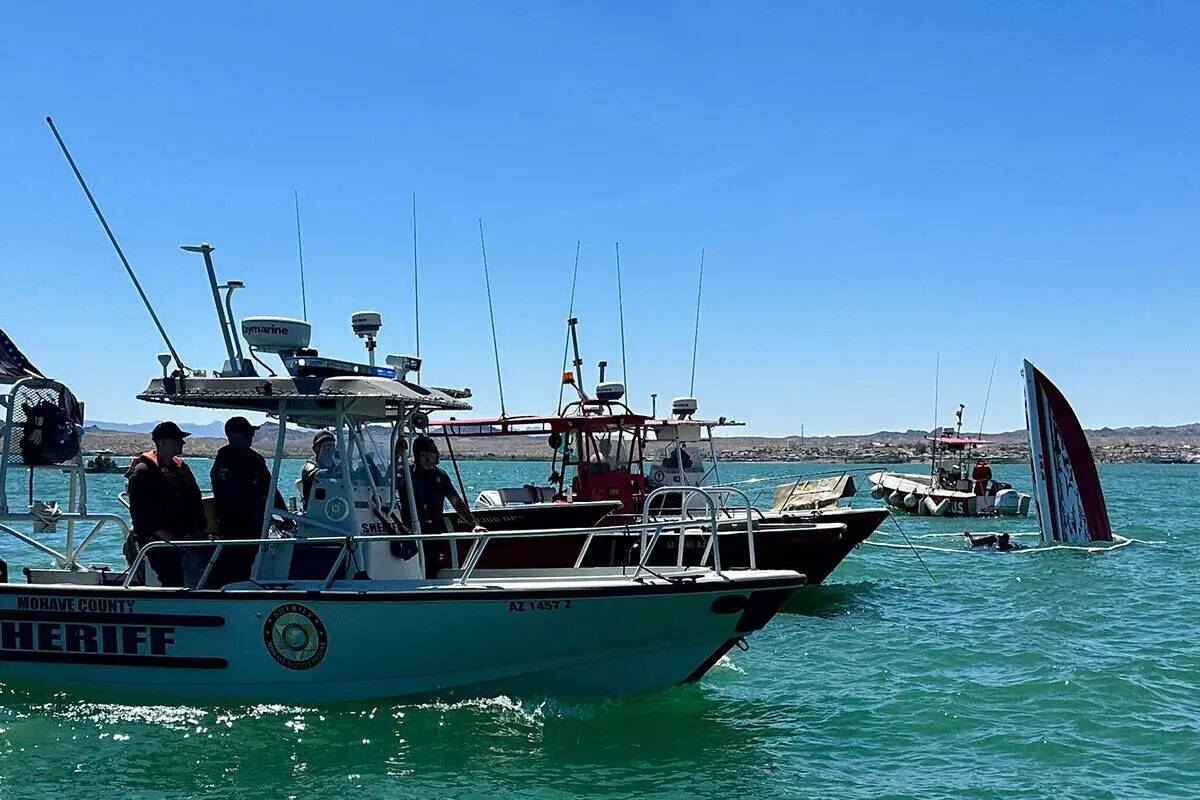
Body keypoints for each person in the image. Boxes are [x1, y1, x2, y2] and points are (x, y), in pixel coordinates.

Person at [125, 421, 206, 586]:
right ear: (163, 442)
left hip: (187, 536)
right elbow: (143, 516)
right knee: (172, 577)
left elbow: (195, 501)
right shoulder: (143, 472)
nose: (182, 442)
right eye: (177, 439)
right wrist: (173, 540)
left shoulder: (182, 469)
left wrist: (196, 531)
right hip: (160, 541)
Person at [210, 416, 288, 585]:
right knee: (232, 567)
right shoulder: (225, 459)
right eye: (248, 434)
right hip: (234, 527)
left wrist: (286, 517)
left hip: (254, 525)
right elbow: (230, 496)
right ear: (235, 436)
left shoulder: (255, 459)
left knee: (247, 564)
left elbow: (270, 489)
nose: (251, 438)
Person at [396, 435, 486, 535]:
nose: (438, 454)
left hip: (435, 531)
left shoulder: (440, 475)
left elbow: (456, 502)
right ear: (423, 454)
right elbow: (389, 483)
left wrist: (475, 524)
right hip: (412, 532)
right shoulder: (406, 473)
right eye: (434, 450)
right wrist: (396, 455)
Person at [300, 430, 336, 511]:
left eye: (332, 445)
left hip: (337, 508)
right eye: (325, 446)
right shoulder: (309, 467)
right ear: (316, 449)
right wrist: (331, 472)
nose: (329, 449)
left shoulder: (339, 465)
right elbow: (313, 474)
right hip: (315, 512)